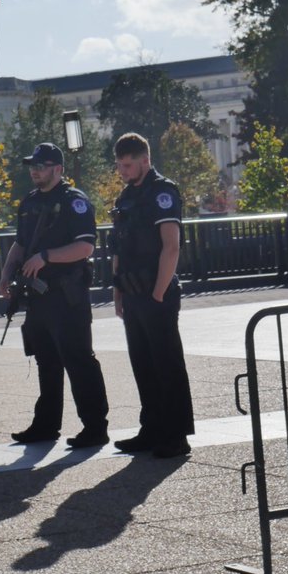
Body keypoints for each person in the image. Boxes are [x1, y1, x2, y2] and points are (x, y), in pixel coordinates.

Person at [0, 143, 109, 448]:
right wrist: (6, 274)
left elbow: (86, 247)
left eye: (42, 166)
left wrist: (46, 256)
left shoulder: (74, 201)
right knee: (46, 361)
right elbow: (21, 244)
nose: (35, 171)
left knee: (78, 360)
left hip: (67, 295)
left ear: (58, 169)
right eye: (33, 166)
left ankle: (95, 427)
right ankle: (46, 425)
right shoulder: (30, 202)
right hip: (38, 297)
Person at [109, 132, 195, 459]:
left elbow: (171, 245)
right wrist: (117, 292)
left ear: (145, 160)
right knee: (142, 363)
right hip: (132, 291)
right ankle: (152, 428)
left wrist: (159, 291)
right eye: (119, 165)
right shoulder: (126, 197)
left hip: (156, 292)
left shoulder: (162, 192)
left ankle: (176, 435)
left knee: (167, 364)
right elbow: (118, 246)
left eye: (128, 165)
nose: (123, 171)